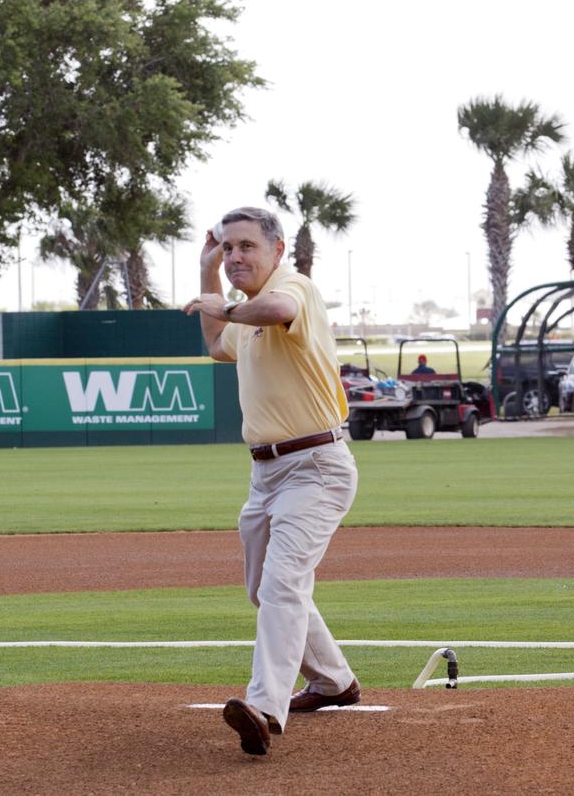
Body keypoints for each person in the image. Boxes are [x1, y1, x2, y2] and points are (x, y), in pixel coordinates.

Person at [182, 206, 360, 756]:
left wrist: (227, 303)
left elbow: (275, 308)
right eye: (228, 246)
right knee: (265, 588)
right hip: (266, 474)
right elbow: (217, 346)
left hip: (316, 467)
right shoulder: (246, 318)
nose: (236, 255)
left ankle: (263, 707)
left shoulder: (294, 288)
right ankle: (333, 681)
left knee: (283, 584)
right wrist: (208, 275)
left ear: (277, 250)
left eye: (246, 246)